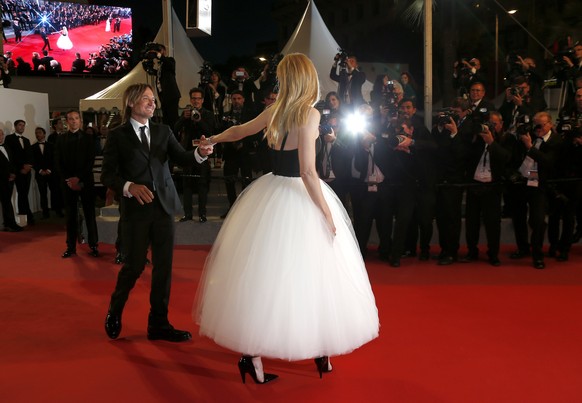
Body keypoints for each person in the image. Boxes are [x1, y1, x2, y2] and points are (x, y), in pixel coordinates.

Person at [195, 53, 379, 384]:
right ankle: (320, 350)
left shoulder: (275, 111)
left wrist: (212, 139)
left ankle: (255, 357)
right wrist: (326, 211)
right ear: (308, 79)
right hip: (299, 196)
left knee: (265, 278)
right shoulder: (309, 113)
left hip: (269, 194)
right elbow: (308, 171)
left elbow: (239, 131)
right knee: (316, 273)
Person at [101, 83, 213, 342]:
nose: (153, 103)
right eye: (147, 99)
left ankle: (158, 324)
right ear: (131, 102)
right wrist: (129, 186)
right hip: (136, 210)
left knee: (164, 268)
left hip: (163, 207)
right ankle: (115, 311)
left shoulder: (163, 131)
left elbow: (184, 157)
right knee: (134, 265)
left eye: (153, 99)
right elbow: (108, 175)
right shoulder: (117, 135)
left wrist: (200, 153)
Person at [54, 110, 99, 258]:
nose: (73, 121)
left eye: (76, 118)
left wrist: (78, 178)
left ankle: (93, 245)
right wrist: (68, 179)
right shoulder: (60, 139)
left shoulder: (88, 138)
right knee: (70, 216)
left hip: (85, 181)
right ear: (67, 122)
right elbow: (58, 162)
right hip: (67, 183)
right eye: (70, 119)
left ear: (80, 121)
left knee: (89, 214)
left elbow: (90, 161)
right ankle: (71, 247)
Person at [4, 119, 34, 225]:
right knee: (22, 193)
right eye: (20, 125)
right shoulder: (9, 138)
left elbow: (30, 155)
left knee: (24, 193)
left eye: (23, 125)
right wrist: (21, 167)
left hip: (27, 171)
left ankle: (25, 215)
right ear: (15, 126)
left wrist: (29, 166)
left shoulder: (26, 140)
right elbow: (11, 156)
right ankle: (27, 216)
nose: (22, 127)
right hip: (18, 171)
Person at [31, 127, 63, 219]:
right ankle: (45, 213)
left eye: (39, 132)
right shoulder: (32, 147)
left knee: (55, 192)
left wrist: (49, 170)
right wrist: (40, 170)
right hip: (40, 174)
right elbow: (33, 161)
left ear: (44, 134)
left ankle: (58, 210)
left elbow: (55, 159)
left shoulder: (52, 145)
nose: (37, 134)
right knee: (43, 193)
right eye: (36, 133)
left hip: (52, 173)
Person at [0, 128, 23, 232]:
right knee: (6, 202)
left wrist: (13, 174)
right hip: (1, 179)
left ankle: (8, 223)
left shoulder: (7, 147)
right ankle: (11, 224)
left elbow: (12, 162)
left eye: (1, 135)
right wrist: (7, 175)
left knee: (7, 202)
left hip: (10, 179)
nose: (0, 137)